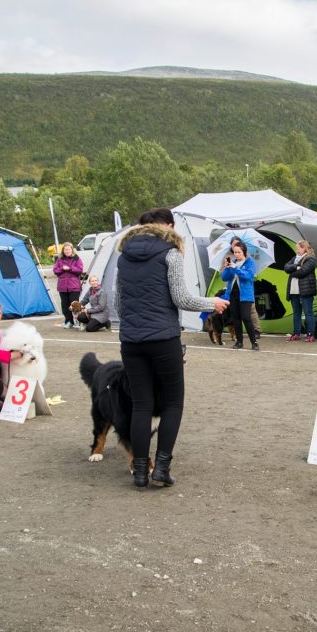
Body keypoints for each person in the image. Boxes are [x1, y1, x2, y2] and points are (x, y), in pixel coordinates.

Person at [115, 207, 229, 488]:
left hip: (130, 341)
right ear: (168, 226)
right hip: (163, 340)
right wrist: (211, 303)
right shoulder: (171, 253)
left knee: (141, 406)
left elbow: (118, 304)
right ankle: (161, 469)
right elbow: (181, 299)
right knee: (172, 404)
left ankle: (140, 471)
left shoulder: (123, 257)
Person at [221, 242, 259, 351]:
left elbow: (248, 276)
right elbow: (224, 278)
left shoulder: (250, 262)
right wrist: (227, 268)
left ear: (244, 252)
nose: (236, 254)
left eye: (239, 252)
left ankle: (254, 342)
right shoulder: (232, 262)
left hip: (245, 294)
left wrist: (236, 268)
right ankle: (239, 341)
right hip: (233, 293)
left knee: (246, 317)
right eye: (235, 252)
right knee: (236, 318)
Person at [283, 239, 317, 342]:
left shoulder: (311, 259)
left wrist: (292, 272)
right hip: (294, 291)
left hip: (305, 290)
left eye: (298, 248)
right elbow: (285, 267)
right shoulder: (295, 258)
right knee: (296, 313)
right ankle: (296, 333)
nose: (296, 250)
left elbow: (303, 272)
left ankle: (310, 334)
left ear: (304, 248)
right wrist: (296, 267)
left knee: (308, 313)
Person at [53, 242, 84, 329]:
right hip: (62, 286)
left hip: (74, 285)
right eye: (65, 249)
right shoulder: (59, 260)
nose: (67, 251)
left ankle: (78, 321)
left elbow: (80, 270)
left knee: (75, 305)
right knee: (65, 305)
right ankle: (69, 321)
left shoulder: (77, 259)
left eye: (69, 249)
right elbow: (55, 270)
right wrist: (62, 268)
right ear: (63, 250)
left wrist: (70, 268)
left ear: (72, 250)